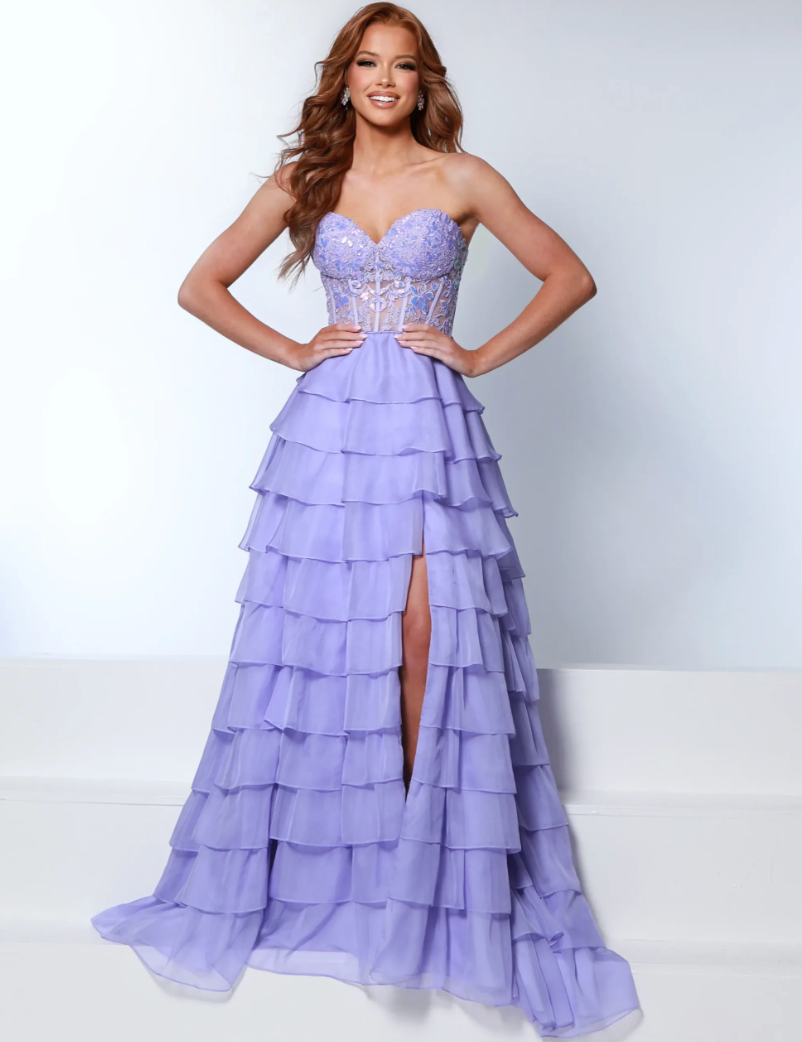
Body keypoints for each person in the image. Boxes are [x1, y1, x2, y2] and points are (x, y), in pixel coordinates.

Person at [92, 4, 642, 1037]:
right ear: (343, 77)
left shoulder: (463, 177)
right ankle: (353, 855)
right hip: (333, 430)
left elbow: (569, 275)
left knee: (427, 631)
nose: (385, 79)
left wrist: (475, 355)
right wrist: (295, 349)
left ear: (423, 79)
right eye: (367, 62)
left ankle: (422, 860)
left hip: (428, 422)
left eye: (403, 64)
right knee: (336, 643)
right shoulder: (307, 181)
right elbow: (200, 286)